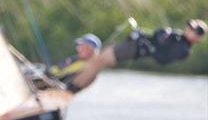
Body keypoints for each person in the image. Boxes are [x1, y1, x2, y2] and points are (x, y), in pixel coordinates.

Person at [71, 18, 206, 91]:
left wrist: (150, 46)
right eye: (189, 27)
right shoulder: (178, 36)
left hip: (136, 50)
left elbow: (162, 60)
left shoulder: (184, 50)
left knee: (99, 61)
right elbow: (157, 37)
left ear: (198, 37)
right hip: (134, 44)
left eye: (192, 30)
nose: (188, 29)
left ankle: (74, 86)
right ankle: (73, 82)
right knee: (99, 60)